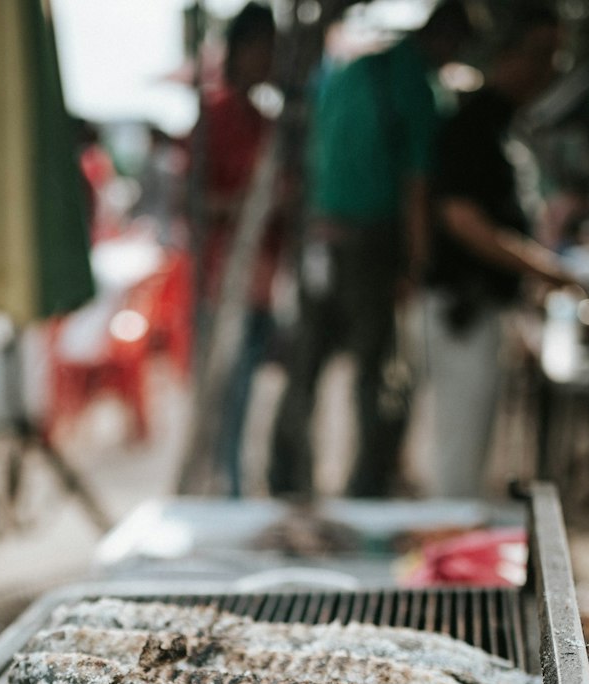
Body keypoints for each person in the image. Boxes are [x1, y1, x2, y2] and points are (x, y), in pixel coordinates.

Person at [268, 1, 476, 500]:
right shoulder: (415, 86)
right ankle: (368, 488)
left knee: (308, 366)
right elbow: (417, 185)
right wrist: (417, 266)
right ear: (445, 40)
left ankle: (288, 479)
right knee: (378, 374)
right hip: (370, 240)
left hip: (321, 235)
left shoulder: (350, 71)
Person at [423, 5, 582, 498]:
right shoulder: (473, 123)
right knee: (459, 457)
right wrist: (540, 267)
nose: (547, 69)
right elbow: (461, 219)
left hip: (486, 310)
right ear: (506, 54)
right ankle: (449, 566)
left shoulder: (506, 125)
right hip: (460, 308)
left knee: (475, 455)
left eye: (555, 56)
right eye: (538, 55)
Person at [195, 2, 285, 496]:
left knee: (249, 401)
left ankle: (238, 490)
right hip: (222, 282)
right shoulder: (216, 117)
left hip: (263, 284)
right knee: (223, 404)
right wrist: (250, 205)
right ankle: (224, 494)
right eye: (264, 49)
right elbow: (196, 202)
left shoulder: (267, 121)